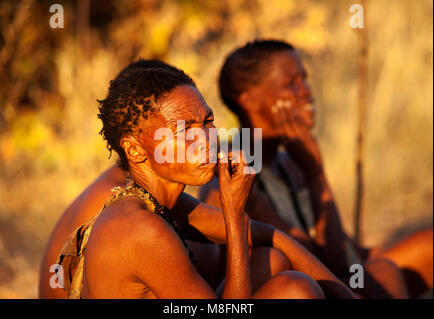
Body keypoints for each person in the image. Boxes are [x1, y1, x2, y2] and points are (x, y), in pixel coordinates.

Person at [46, 61, 358, 299]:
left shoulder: (162, 203)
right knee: (295, 290)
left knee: (272, 260)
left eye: (207, 122)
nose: (206, 140)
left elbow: (272, 237)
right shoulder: (139, 227)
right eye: (184, 130)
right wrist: (234, 212)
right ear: (135, 149)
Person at [199, 39, 432, 298]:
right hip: (293, 287)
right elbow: (318, 261)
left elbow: (338, 254)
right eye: (291, 84)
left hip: (328, 275)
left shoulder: (288, 162)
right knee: (382, 271)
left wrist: (315, 172)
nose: (307, 92)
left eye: (304, 80)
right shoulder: (233, 166)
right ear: (249, 101)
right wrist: (314, 173)